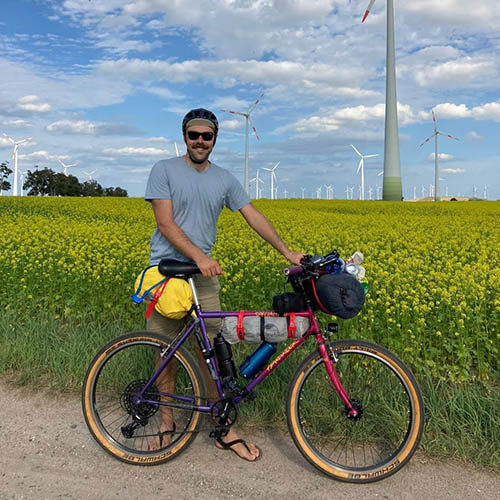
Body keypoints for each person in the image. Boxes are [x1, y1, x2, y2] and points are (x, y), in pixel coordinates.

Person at [144, 108, 304, 462]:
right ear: (184, 136)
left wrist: (287, 251)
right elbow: (165, 223)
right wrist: (199, 257)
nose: (200, 141)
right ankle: (166, 423)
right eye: (194, 135)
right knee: (165, 352)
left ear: (215, 139)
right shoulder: (163, 170)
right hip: (167, 272)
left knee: (212, 352)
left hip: (203, 278)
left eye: (207, 136)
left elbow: (252, 215)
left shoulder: (225, 179)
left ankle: (222, 427)